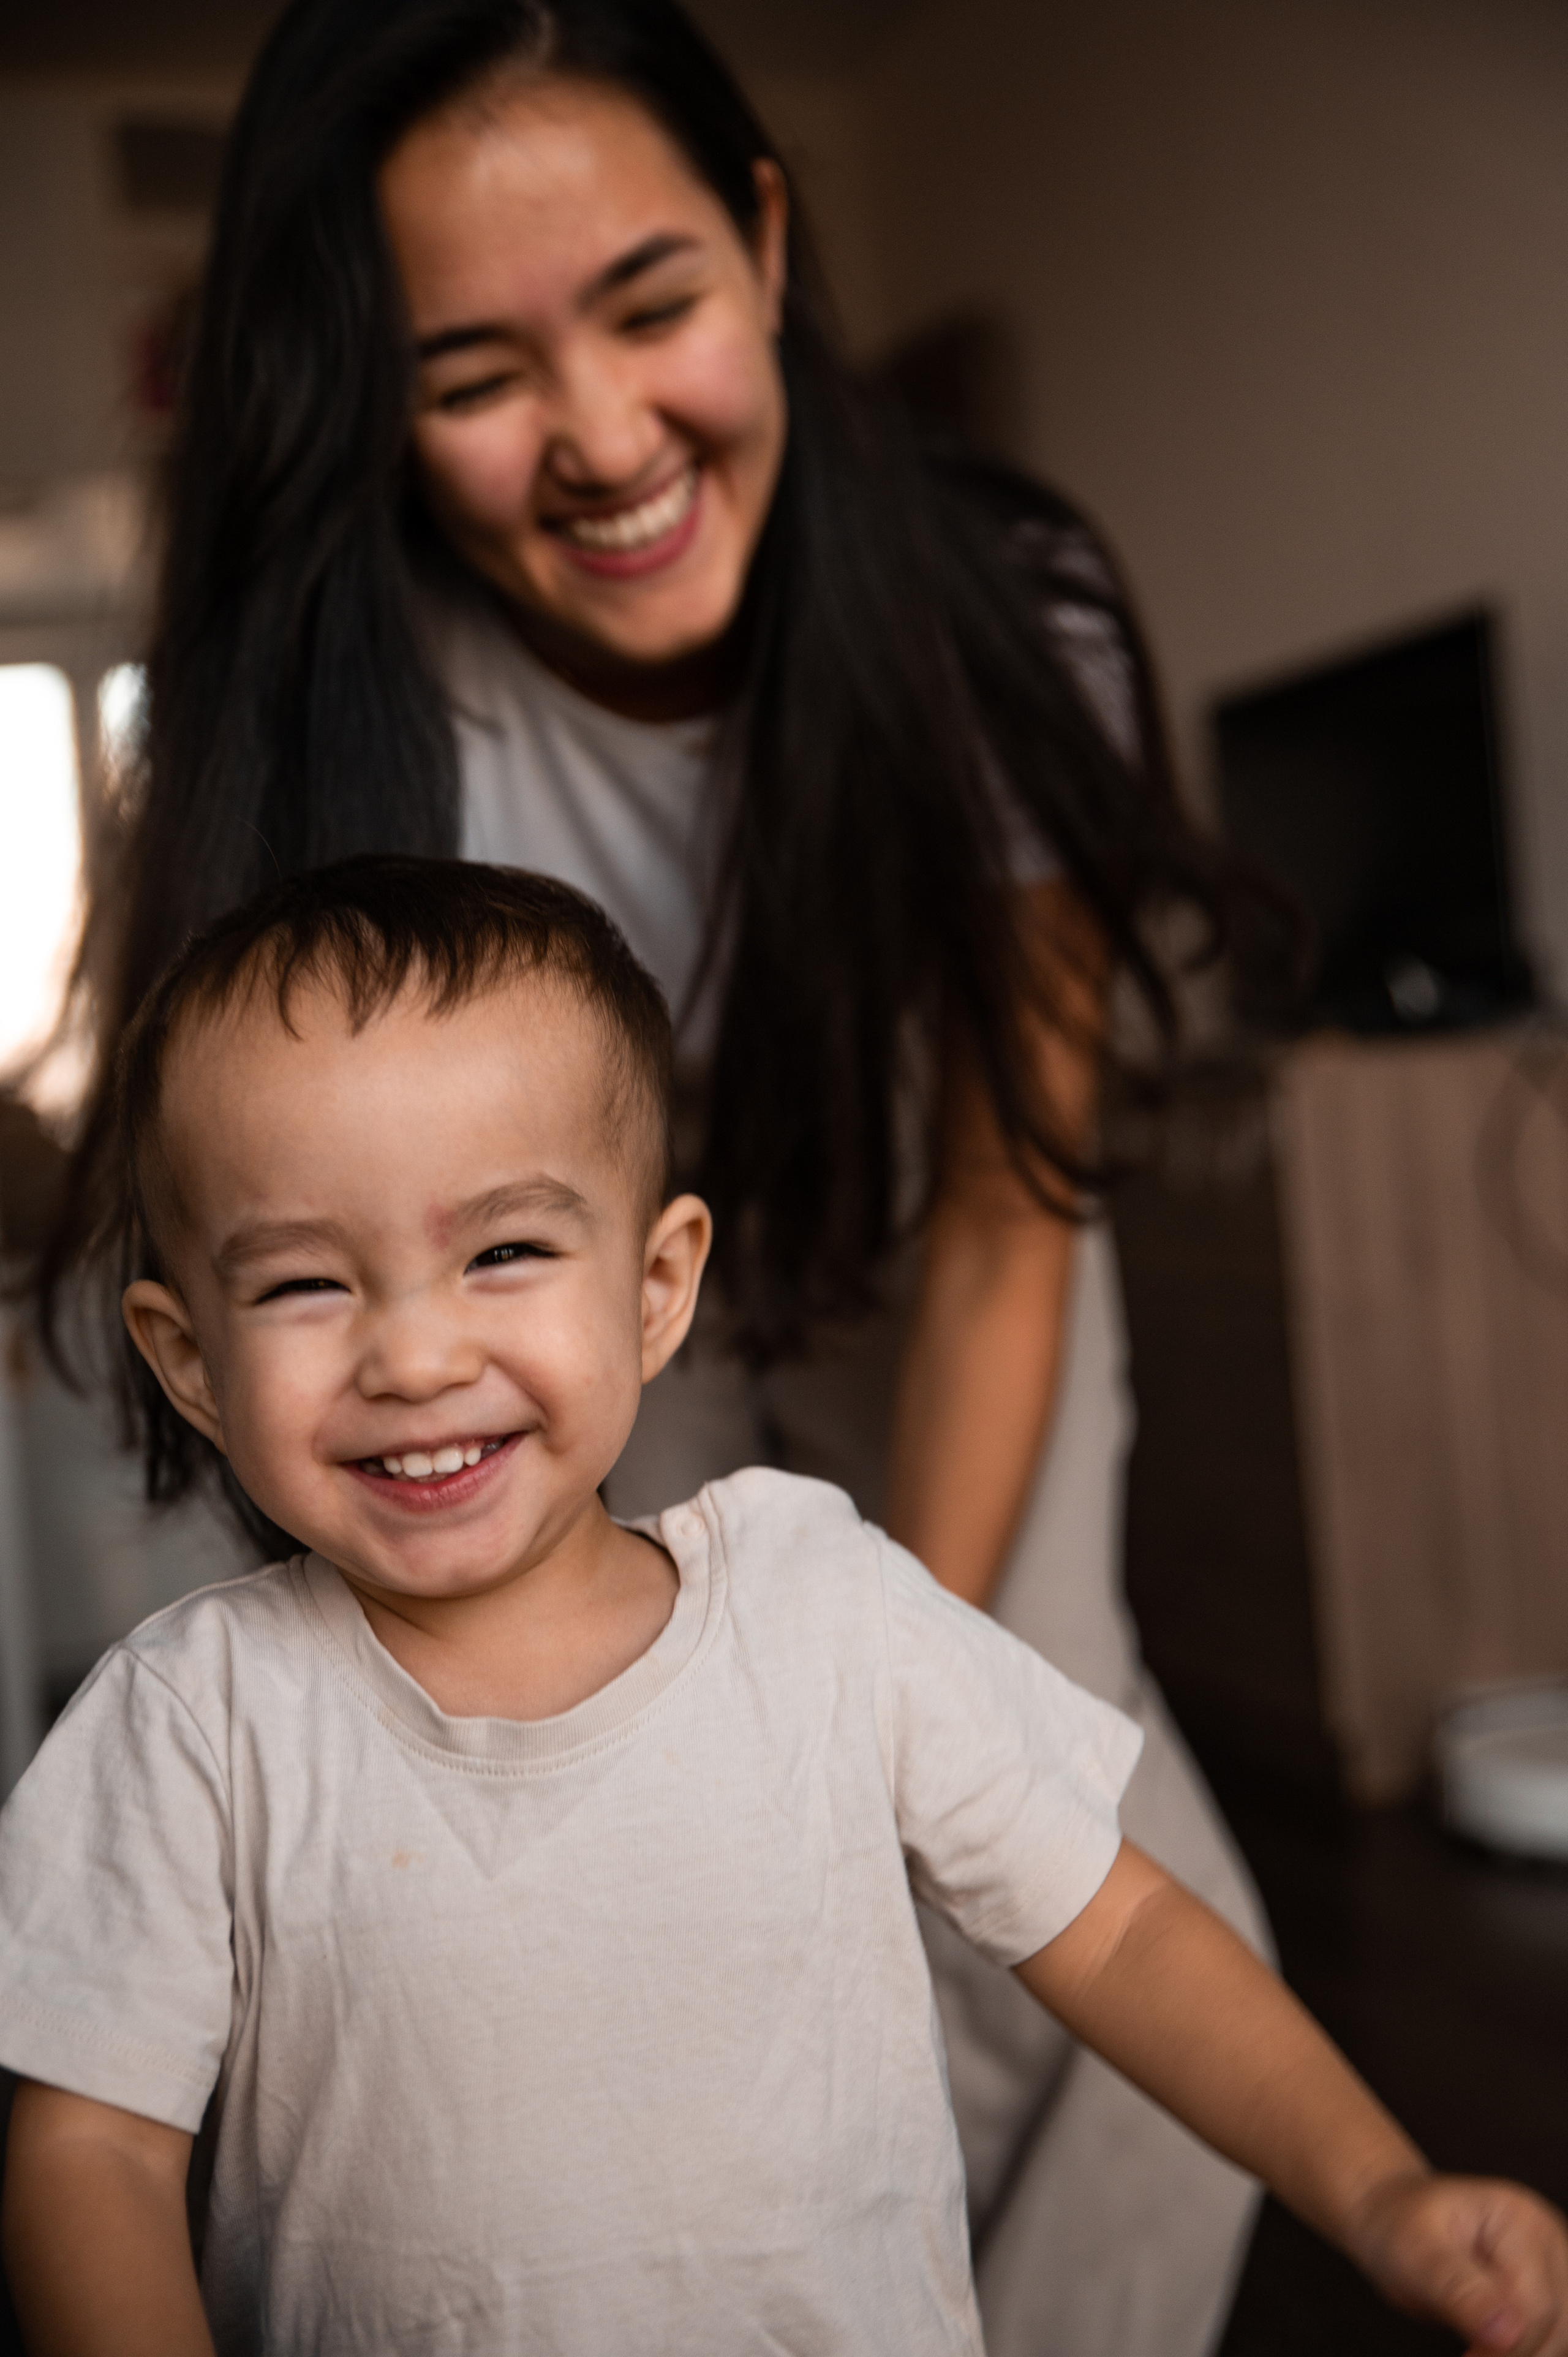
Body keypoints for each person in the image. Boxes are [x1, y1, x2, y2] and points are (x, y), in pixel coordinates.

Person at [34, 1, 1284, 2345]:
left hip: (946, 1226)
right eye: (476, 370)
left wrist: (891, 1654)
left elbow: (1019, 1206)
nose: (605, 440)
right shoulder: (351, 710)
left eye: (655, 305)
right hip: (545, 1276)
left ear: (769, 241)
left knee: (1027, 1848)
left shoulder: (1009, 614)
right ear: (371, 400)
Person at [6, 857, 1568, 2357]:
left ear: (653, 1288)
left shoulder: (826, 1610)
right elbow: (94, 2157)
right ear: (190, 1358)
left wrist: (1375, 2188)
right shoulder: (191, 1724)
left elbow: (1133, 1932)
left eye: (501, 1250)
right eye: (302, 1284)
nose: (413, 1356)